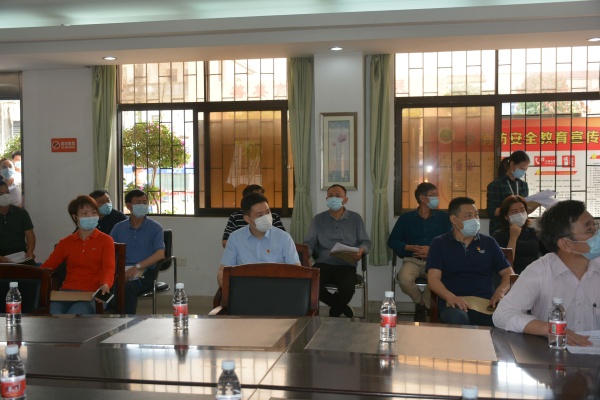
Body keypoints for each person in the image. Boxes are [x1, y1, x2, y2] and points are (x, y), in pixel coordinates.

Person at [493, 200, 600, 346]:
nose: (596, 234)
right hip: (552, 353)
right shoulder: (539, 271)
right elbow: (502, 314)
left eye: (595, 227)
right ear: (565, 244)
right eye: (589, 230)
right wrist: (549, 329)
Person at [426, 196, 514, 326]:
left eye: (476, 215)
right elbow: (433, 279)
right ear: (454, 219)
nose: (475, 219)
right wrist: (450, 297)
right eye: (469, 216)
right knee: (458, 318)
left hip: (486, 302)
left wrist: (500, 292)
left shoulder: (488, 242)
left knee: (509, 319)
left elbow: (508, 273)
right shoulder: (439, 243)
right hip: (454, 303)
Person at [304, 184, 372, 318]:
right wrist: (306, 257)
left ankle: (335, 310)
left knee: (348, 289)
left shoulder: (355, 218)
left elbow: (366, 242)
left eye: (338, 196)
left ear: (345, 200)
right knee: (309, 284)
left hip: (346, 264)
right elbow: (309, 243)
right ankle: (340, 306)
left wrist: (361, 251)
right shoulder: (318, 219)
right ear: (326, 199)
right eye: (330, 196)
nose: (333, 198)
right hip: (323, 263)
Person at [41, 195, 115, 314]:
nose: (90, 216)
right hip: (68, 291)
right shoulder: (65, 242)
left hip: (95, 292)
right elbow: (48, 266)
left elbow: (109, 268)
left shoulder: (106, 240)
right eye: (84, 213)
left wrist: (105, 284)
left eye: (94, 212)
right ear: (75, 217)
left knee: (78, 311)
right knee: (54, 310)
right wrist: (30, 275)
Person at [387, 182, 451, 319]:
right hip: (412, 260)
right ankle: (421, 303)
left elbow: (451, 241)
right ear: (422, 198)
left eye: (437, 195)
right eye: (433, 195)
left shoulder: (443, 218)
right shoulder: (406, 218)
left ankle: (425, 306)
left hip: (435, 262)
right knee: (404, 280)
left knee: (437, 281)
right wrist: (408, 247)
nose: (436, 198)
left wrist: (432, 250)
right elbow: (392, 241)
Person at [218, 192, 299, 286]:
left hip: (276, 289)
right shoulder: (235, 238)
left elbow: (297, 271)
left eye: (268, 212)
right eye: (260, 215)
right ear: (247, 219)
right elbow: (223, 271)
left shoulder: (284, 237)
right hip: (246, 289)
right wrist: (225, 286)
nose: (266, 217)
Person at [110, 189, 165, 314]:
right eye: (138, 202)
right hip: (120, 270)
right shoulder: (119, 228)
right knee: (106, 284)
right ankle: (109, 316)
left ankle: (127, 320)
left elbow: (160, 254)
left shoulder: (155, 228)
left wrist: (137, 267)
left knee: (127, 287)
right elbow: (109, 251)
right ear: (129, 206)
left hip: (145, 271)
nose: (143, 205)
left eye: (145, 202)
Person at [222, 184, 286, 248]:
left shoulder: (273, 216)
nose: (260, 197)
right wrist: (243, 249)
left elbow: (282, 238)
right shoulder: (235, 217)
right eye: (256, 195)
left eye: (261, 194)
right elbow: (225, 241)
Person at [492, 195, 543, 274]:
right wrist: (513, 238)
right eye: (514, 212)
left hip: (535, 274)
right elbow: (504, 263)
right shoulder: (499, 235)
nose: (520, 214)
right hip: (513, 275)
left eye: (522, 210)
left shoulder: (533, 232)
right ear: (506, 216)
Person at [486, 150, 532, 235]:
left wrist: (537, 203)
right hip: (500, 229)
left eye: (526, 169)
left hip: (520, 228)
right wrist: (512, 210)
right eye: (522, 168)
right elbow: (491, 211)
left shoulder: (523, 185)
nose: (524, 171)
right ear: (512, 165)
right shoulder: (496, 185)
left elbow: (525, 209)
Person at [0, 181, 36, 266]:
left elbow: (30, 235)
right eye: (1, 194)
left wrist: (30, 251)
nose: (5, 196)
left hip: (21, 256)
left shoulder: (21, 213)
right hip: (1, 259)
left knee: (36, 273)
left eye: (7, 192)